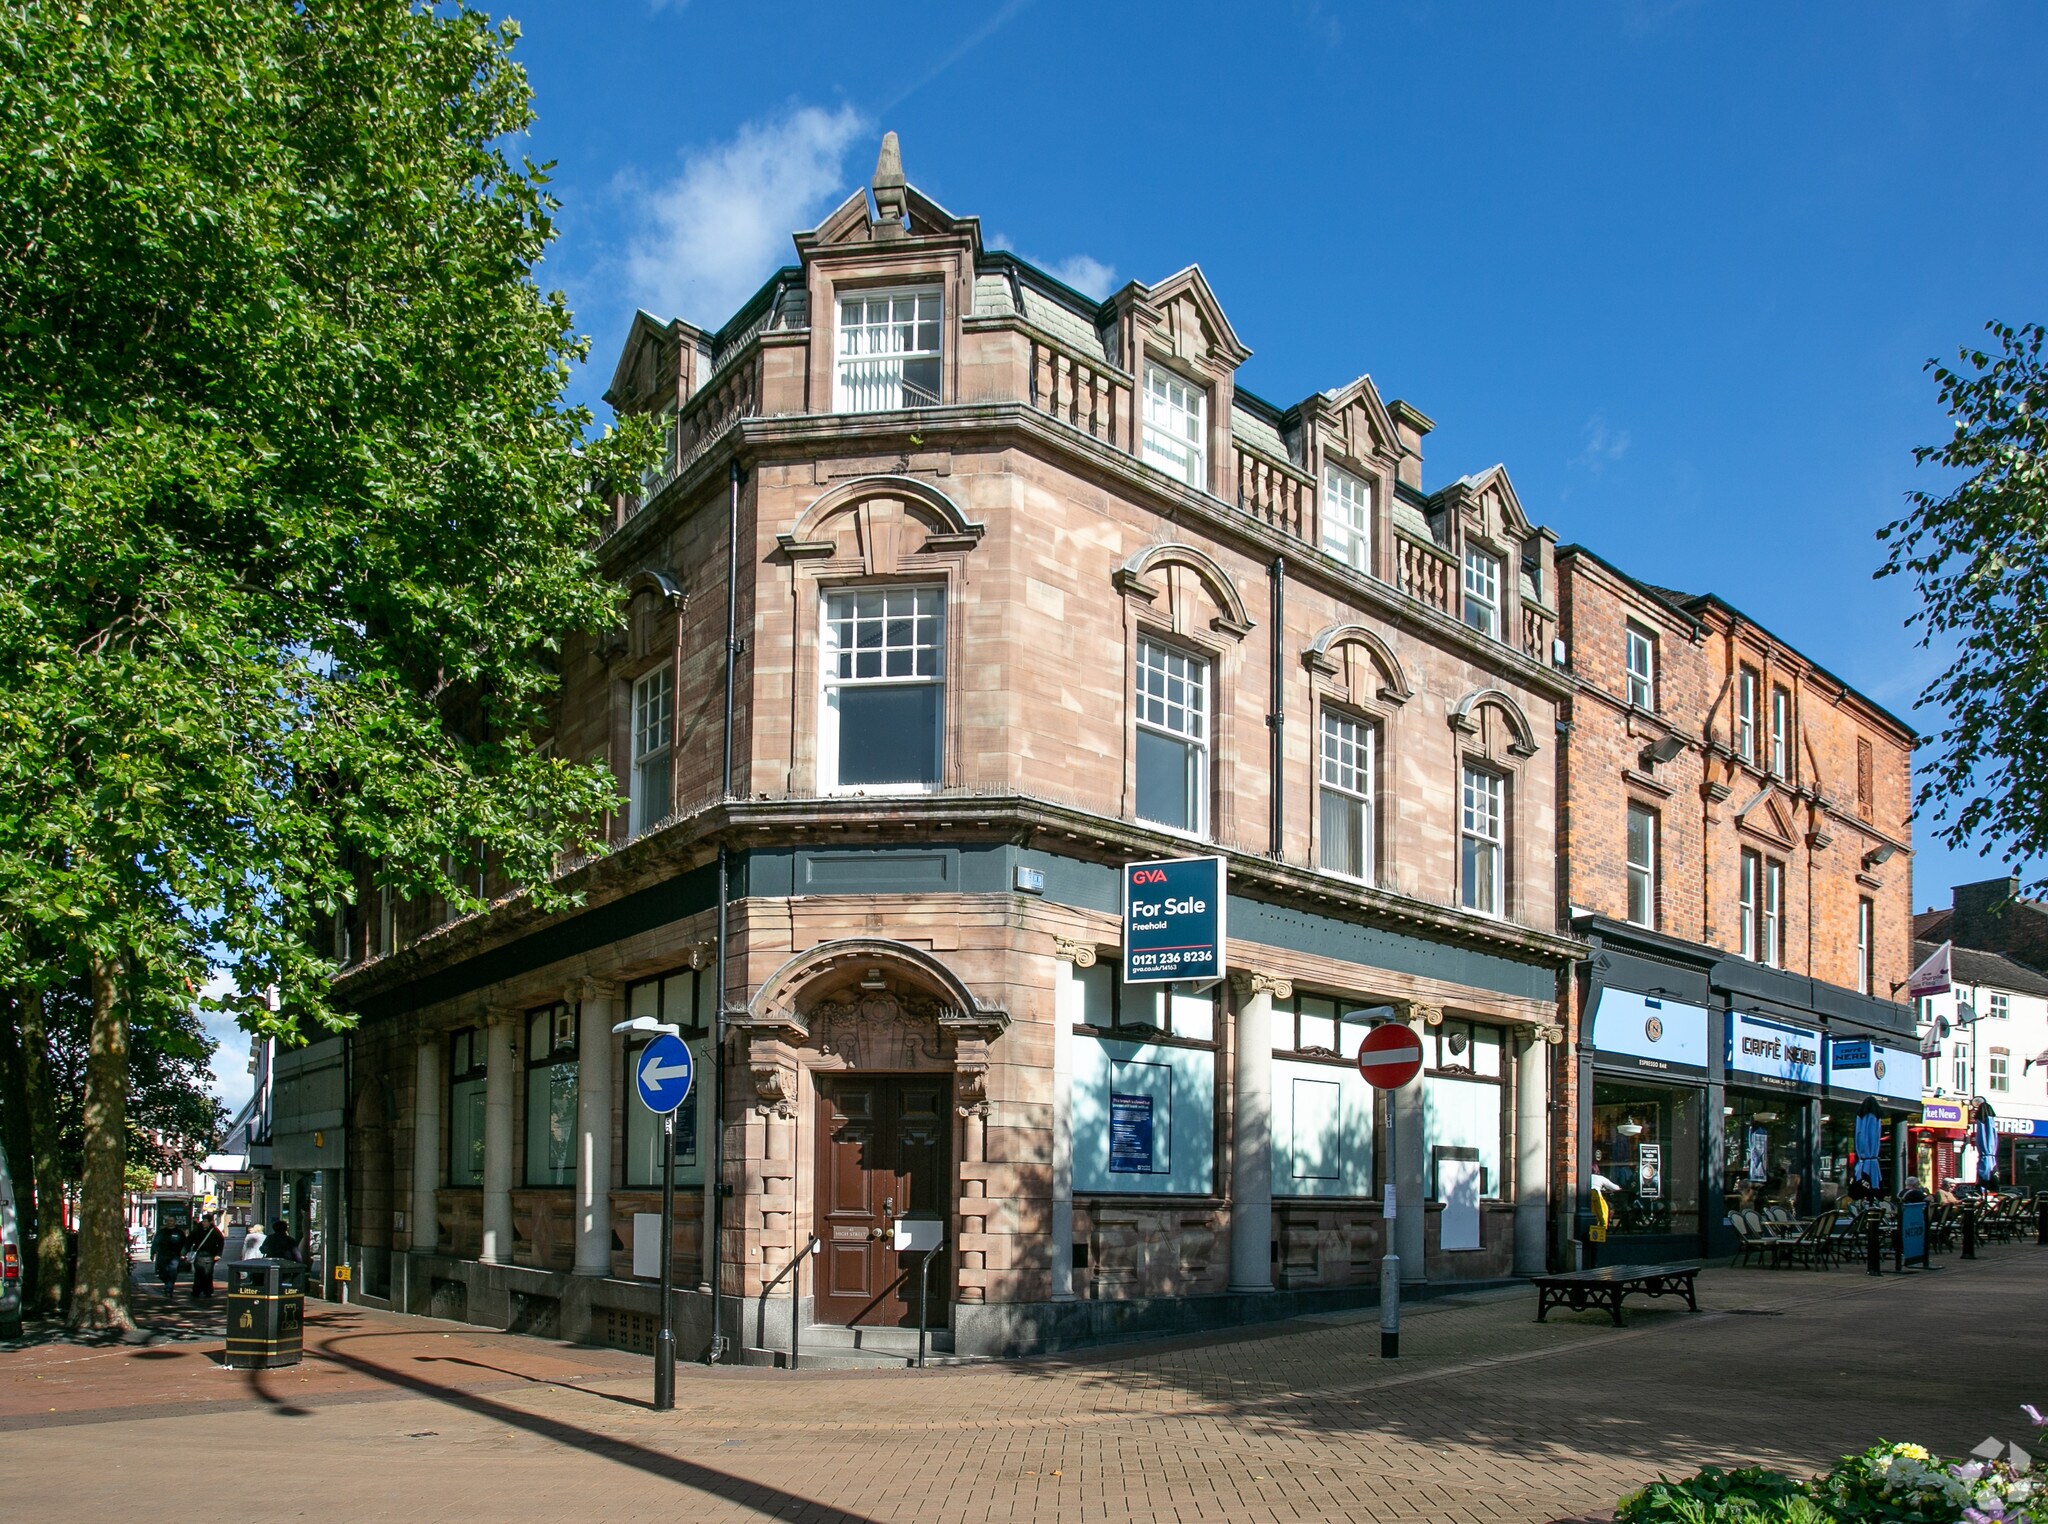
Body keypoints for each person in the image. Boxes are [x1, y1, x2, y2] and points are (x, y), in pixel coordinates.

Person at [188, 1212, 225, 1298]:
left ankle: (207, 1291)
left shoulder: (214, 1231)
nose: (204, 1223)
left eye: (206, 1221)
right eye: (203, 1221)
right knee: (198, 1274)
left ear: (210, 1222)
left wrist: (218, 1254)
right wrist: (184, 1252)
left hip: (210, 1256)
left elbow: (220, 1242)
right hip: (199, 1256)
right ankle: (197, 1291)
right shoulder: (197, 1230)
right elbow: (189, 1241)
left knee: (208, 1274)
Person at [150, 1216, 187, 1295]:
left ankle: (169, 1289)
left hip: (174, 1256)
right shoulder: (161, 1232)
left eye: (171, 1220)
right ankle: (167, 1283)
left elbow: (184, 1244)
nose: (170, 1222)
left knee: (172, 1273)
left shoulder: (179, 1233)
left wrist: (183, 1254)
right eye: (168, 1221)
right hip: (162, 1255)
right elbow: (155, 1243)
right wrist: (152, 1253)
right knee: (161, 1274)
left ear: (175, 1222)